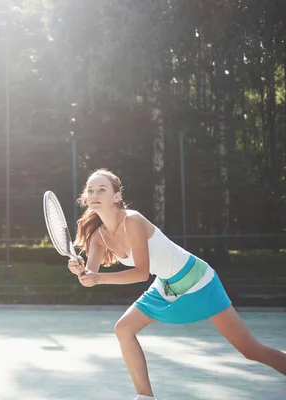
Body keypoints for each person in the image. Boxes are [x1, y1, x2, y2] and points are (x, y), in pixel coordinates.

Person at [67, 168, 286, 400]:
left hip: (198, 280)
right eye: (90, 190)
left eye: (102, 189)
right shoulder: (97, 236)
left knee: (250, 350)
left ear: (117, 196)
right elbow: (90, 278)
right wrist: (81, 271)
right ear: (85, 198)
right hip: (166, 285)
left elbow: (141, 273)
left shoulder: (132, 220)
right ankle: (145, 397)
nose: (95, 194)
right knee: (123, 328)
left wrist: (97, 278)